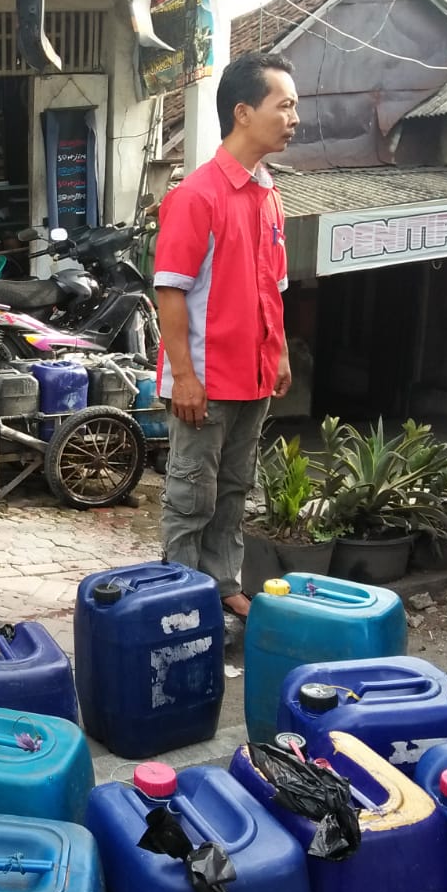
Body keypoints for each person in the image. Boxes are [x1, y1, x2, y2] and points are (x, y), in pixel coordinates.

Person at [153, 51, 297, 623]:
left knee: (234, 490)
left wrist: (280, 351)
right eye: (282, 105)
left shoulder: (270, 197)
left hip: (254, 377)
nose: (293, 117)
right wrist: (184, 377)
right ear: (243, 112)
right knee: (191, 497)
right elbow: (170, 293)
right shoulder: (196, 196)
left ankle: (222, 583)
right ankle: (181, 597)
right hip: (205, 383)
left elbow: (274, 286)